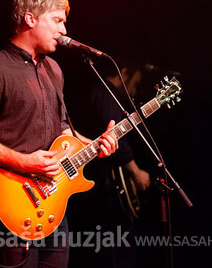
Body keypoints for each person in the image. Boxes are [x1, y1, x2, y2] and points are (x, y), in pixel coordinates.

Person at [0, 0, 117, 268]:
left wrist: (95, 145)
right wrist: (24, 162)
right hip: (12, 205)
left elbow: (62, 128)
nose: (64, 31)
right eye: (57, 20)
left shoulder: (54, 70)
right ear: (30, 19)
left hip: (53, 204)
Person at [70, 61, 151, 268]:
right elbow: (118, 141)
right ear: (124, 73)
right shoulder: (107, 94)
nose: (133, 90)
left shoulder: (95, 93)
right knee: (116, 249)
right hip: (99, 185)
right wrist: (136, 171)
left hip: (86, 183)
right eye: (135, 83)